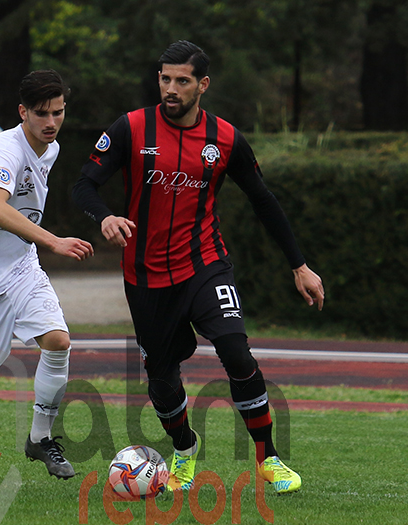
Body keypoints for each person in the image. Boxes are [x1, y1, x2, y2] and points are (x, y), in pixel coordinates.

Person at [72, 40, 324, 494]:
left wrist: (299, 265)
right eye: (165, 79)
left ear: (202, 85)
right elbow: (83, 185)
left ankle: (269, 459)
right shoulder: (131, 128)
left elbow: (263, 201)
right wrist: (105, 216)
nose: (171, 88)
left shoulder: (226, 139)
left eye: (182, 81)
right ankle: (184, 449)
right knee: (163, 379)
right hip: (146, 276)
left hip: (204, 265)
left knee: (236, 352)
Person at [0, 70, 93, 480]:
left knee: (58, 341)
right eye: (41, 113)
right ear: (22, 112)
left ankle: (40, 439)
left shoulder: (51, 148)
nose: (51, 122)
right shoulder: (3, 151)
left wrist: (36, 246)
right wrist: (54, 240)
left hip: (20, 266)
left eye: (58, 112)